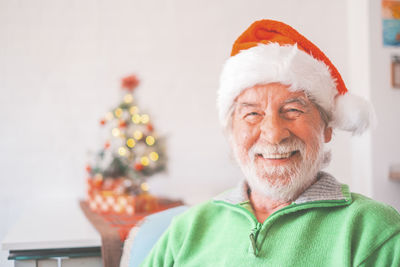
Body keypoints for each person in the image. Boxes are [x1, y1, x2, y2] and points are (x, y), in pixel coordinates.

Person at [141, 19, 400, 266]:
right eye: (252, 114)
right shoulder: (185, 230)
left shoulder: (375, 231)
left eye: (293, 110)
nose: (274, 134)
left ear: (327, 128)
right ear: (232, 133)